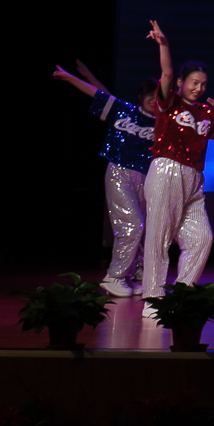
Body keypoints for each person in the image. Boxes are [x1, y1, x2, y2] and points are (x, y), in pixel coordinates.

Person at [134, 21, 214, 296]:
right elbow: (167, 73)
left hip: (194, 177)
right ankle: (153, 298)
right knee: (159, 238)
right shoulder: (170, 103)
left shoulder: (206, 112)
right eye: (194, 82)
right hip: (167, 169)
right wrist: (164, 45)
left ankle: (182, 295)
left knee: (201, 239)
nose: (199, 88)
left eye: (203, 84)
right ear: (181, 83)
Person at [50, 59, 153, 297]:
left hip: (147, 178)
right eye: (149, 95)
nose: (153, 100)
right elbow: (100, 96)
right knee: (132, 225)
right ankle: (114, 277)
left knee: (145, 228)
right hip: (119, 173)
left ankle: (133, 275)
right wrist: (72, 77)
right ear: (140, 96)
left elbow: (105, 95)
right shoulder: (126, 111)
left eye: (158, 96)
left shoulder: (164, 123)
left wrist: (88, 75)